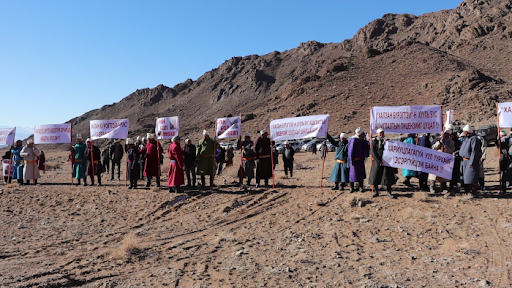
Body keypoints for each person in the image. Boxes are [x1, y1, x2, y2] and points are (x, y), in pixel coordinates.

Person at [368, 128, 397, 199]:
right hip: (377, 162)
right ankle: (376, 192)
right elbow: (373, 151)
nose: (381, 134)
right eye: (380, 133)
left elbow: (392, 149)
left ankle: (389, 192)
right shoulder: (374, 141)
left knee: (388, 177)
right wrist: (379, 160)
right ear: (377, 134)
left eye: (382, 133)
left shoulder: (387, 141)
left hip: (386, 162)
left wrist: (388, 142)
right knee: (375, 176)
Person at [428, 128, 455, 193]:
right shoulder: (436, 140)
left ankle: (443, 187)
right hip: (436, 159)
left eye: (447, 134)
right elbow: (433, 148)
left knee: (444, 174)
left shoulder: (451, 142)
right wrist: (439, 143)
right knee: (433, 175)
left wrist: (445, 147)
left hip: (445, 160)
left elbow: (452, 151)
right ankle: (432, 187)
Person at [459, 124, 482, 195]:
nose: (463, 133)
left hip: (470, 161)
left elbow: (474, 151)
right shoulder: (466, 138)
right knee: (465, 178)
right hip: (464, 161)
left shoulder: (474, 139)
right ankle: (467, 192)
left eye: (464, 131)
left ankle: (473, 193)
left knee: (471, 178)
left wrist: (471, 162)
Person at [348, 127, 370, 192]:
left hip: (360, 160)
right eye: (363, 133)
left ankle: (361, 187)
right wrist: (351, 161)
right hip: (354, 160)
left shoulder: (362, 140)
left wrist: (369, 141)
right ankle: (351, 187)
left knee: (361, 174)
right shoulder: (353, 140)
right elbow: (351, 151)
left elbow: (367, 146)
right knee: (352, 175)